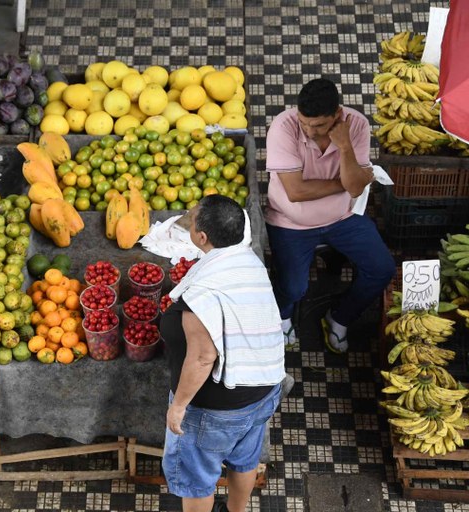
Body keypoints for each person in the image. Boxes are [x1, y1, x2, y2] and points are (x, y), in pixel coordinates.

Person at [160, 195, 286, 512]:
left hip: (217, 410)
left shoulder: (203, 290)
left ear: (201, 237)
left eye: (191, 220)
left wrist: (179, 407)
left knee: (197, 478)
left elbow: (203, 357)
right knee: (244, 459)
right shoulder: (250, 262)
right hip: (263, 392)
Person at [265, 78, 395, 353]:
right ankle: (283, 315)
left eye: (319, 125)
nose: (310, 131)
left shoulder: (356, 125)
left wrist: (345, 147)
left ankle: (340, 317)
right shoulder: (283, 127)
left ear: (337, 115)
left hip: (343, 219)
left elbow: (357, 187)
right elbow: (296, 191)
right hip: (290, 224)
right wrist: (344, 183)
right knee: (294, 287)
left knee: (382, 269)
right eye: (304, 123)